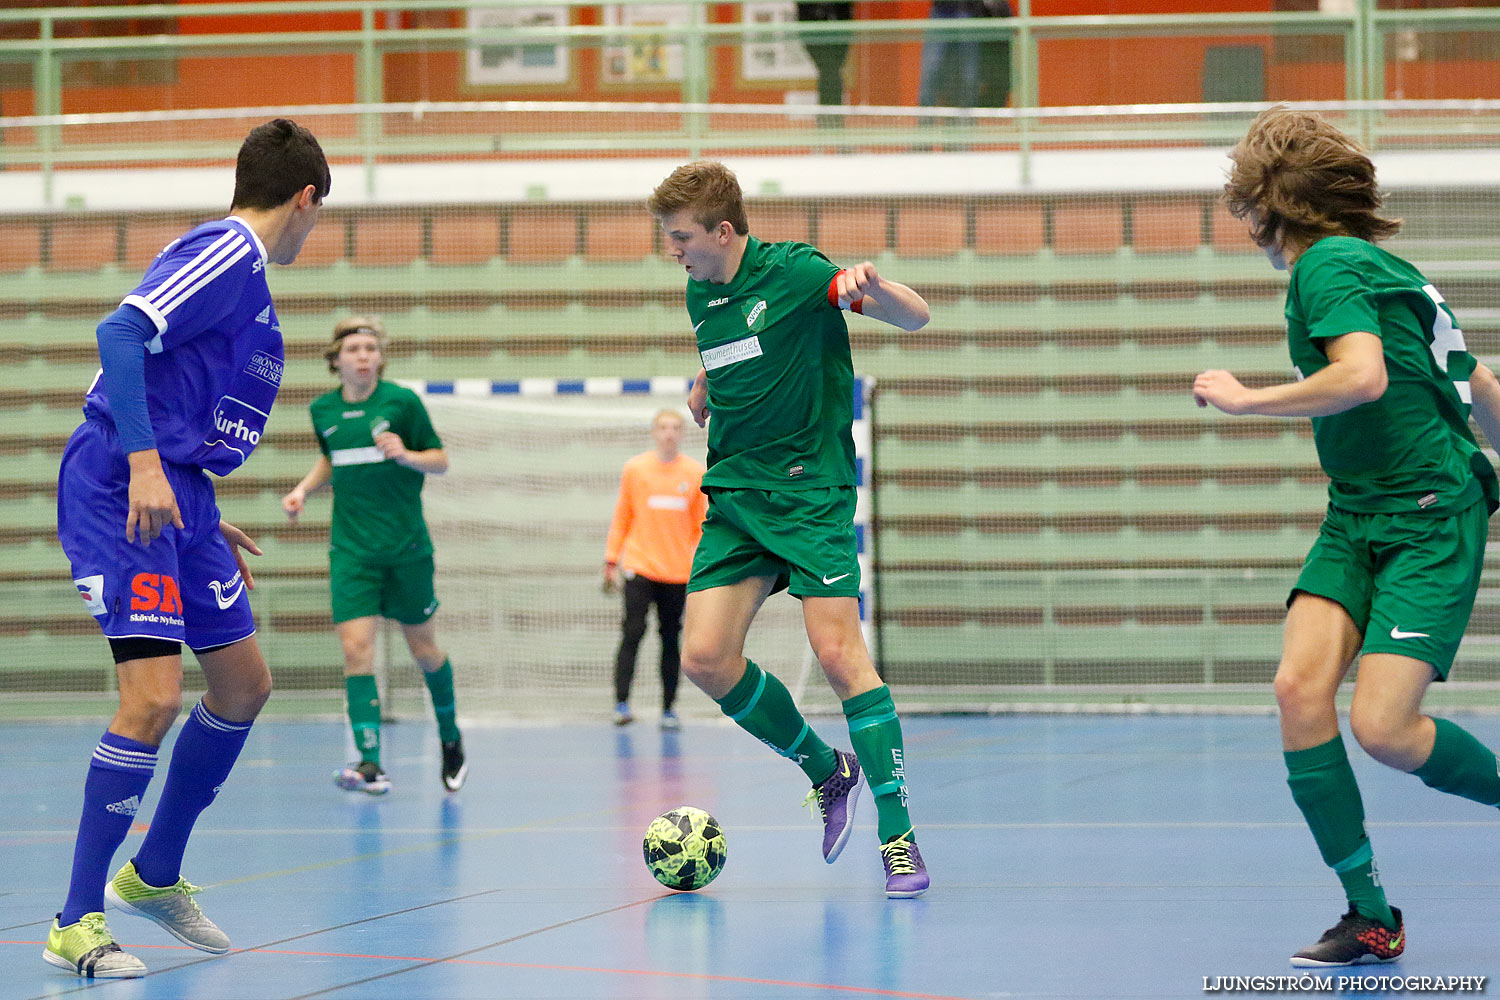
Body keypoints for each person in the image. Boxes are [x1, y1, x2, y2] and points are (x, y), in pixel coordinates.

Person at [1194, 105, 1500, 967]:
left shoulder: (1325, 267)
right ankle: (1370, 914)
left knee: (1386, 728)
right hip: (1356, 511)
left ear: (1263, 206)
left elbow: (1363, 378)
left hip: (1429, 517)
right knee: (1299, 690)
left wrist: (1248, 399)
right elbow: (1470, 377)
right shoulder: (1384, 266)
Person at [46, 118, 329, 979]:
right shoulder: (229, 250)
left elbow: (179, 391)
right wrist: (142, 466)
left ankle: (156, 872)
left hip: (182, 499)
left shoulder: (244, 279)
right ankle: (75, 920)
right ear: (306, 197)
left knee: (243, 684)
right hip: (117, 483)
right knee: (153, 700)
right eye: (320, 215)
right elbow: (119, 335)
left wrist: (199, 510)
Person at [647, 161, 933, 898]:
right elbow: (734, 357)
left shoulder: (800, 272)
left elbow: (914, 317)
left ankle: (898, 839)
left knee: (840, 656)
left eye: (682, 238)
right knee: (705, 659)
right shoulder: (699, 293)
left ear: (724, 231)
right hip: (738, 496)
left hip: (812, 495)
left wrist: (876, 288)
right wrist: (704, 390)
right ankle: (826, 770)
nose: (673, 251)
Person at [281, 315, 466, 797]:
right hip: (351, 552)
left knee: (424, 653)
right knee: (355, 653)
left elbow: (441, 460)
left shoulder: (402, 403)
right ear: (336, 360)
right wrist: (303, 489)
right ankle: (369, 763)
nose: (363, 355)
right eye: (354, 349)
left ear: (380, 357)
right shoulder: (323, 410)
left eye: (370, 348)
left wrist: (406, 454)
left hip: (406, 550)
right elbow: (332, 456)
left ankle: (450, 737)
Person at [604, 408, 707, 728]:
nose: (669, 433)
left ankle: (668, 708)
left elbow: (701, 526)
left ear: (682, 432)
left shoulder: (694, 473)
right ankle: (621, 704)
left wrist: (702, 568)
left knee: (670, 638)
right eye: (663, 427)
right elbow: (623, 515)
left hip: (677, 572)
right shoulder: (635, 469)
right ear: (654, 431)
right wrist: (611, 559)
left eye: (675, 427)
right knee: (632, 632)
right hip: (639, 567)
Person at [795, 1, 854, 129]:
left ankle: (829, 127)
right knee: (830, 73)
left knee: (832, 74)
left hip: (839, 36)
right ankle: (832, 128)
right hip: (813, 36)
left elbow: (847, 11)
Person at [917, 0, 985, 110]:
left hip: (968, 11)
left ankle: (967, 122)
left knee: (969, 75)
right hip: (941, 11)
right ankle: (925, 124)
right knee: (930, 70)